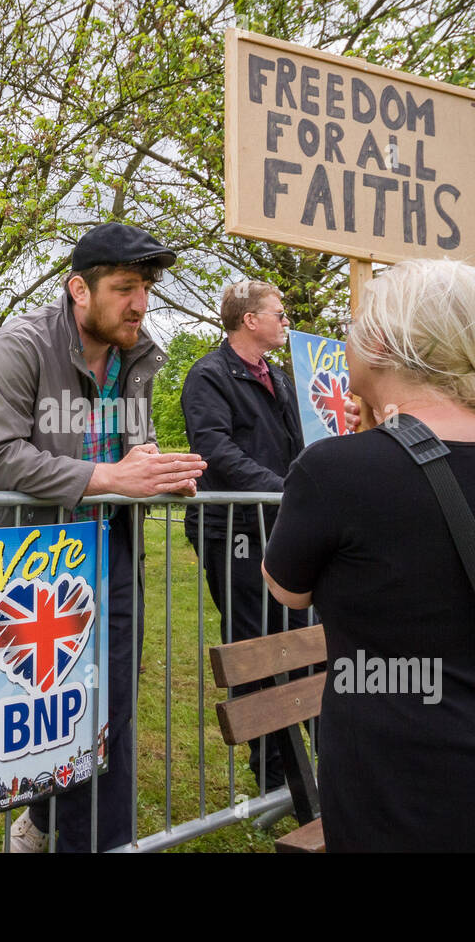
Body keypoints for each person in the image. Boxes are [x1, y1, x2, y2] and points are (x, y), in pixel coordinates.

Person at [260, 258, 475, 852]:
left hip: (396, 782)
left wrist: (370, 440)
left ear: (377, 341)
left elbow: (286, 588)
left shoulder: (335, 471)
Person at [0, 222, 206, 852]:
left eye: (146, 288)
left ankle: (60, 830)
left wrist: (154, 473)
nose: (140, 304)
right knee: (53, 712)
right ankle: (61, 828)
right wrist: (108, 476)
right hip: (32, 558)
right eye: (126, 288)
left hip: (113, 551)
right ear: (79, 289)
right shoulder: (19, 346)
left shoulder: (140, 354)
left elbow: (127, 450)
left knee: (113, 706)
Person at [181, 280, 306, 788]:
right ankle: (272, 776)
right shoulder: (209, 376)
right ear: (249, 319)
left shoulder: (281, 379)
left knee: (299, 640)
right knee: (255, 645)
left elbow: (301, 443)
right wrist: (285, 490)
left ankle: (304, 762)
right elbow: (218, 451)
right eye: (278, 312)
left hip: (282, 525)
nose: (285, 320)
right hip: (233, 530)